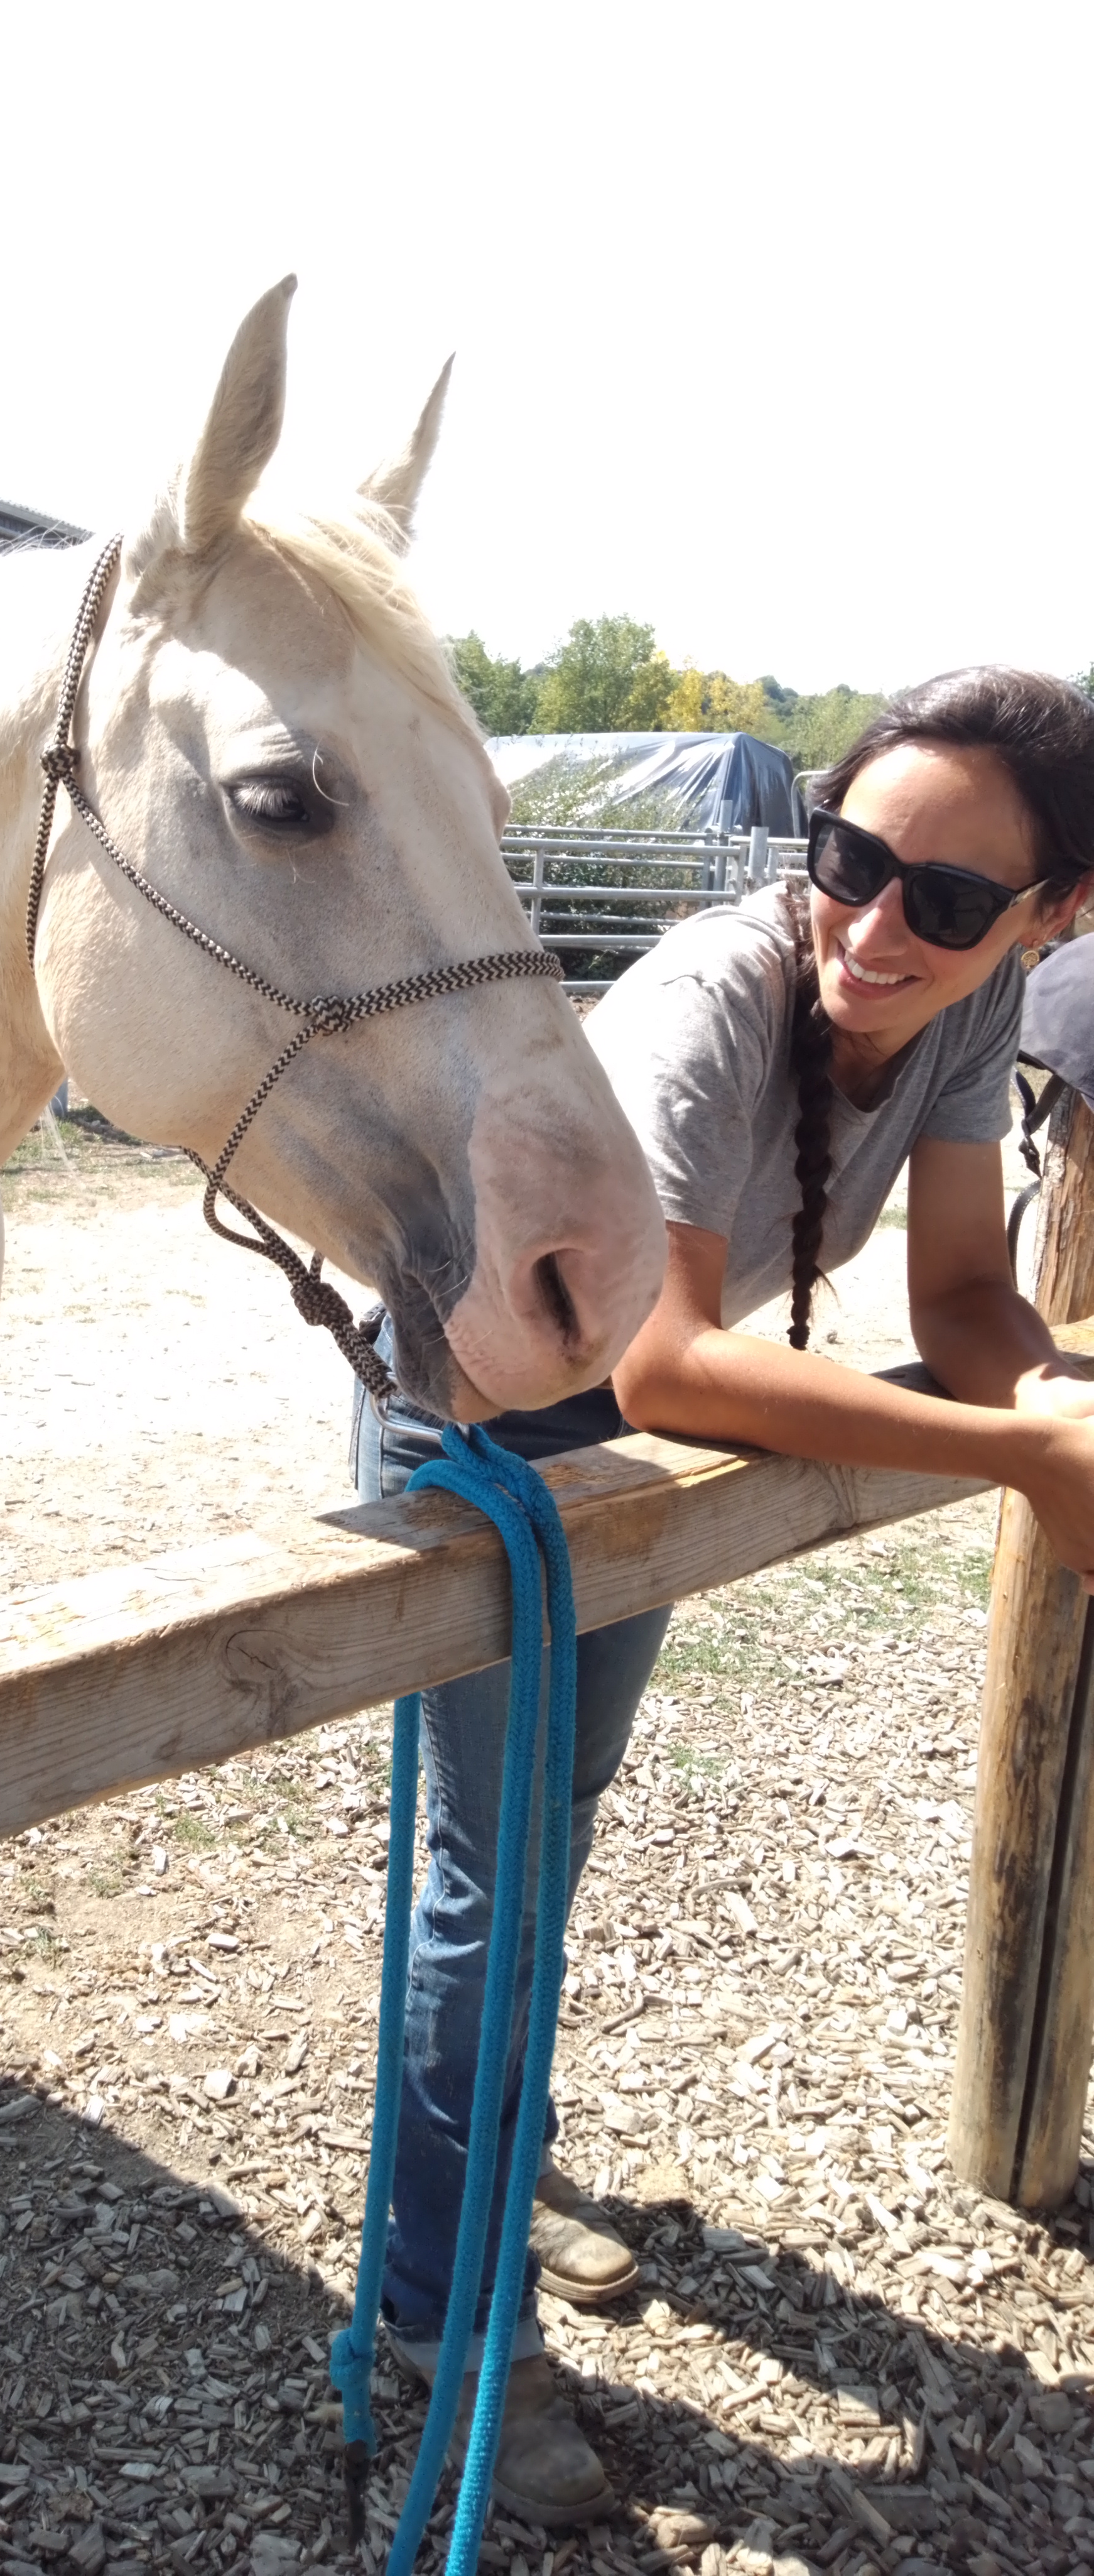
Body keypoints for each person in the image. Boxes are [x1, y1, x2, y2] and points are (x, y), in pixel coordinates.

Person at [350, 667, 1094, 2527]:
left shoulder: (966, 1005)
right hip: (488, 1423)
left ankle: (490, 2170)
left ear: (1051, 916)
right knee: (492, 1871)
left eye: (947, 899)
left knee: (553, 1829)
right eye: (851, 860)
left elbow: (961, 1304)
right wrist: (1026, 1452)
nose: (877, 925)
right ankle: (444, 2320)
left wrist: (1059, 1403)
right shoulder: (713, 991)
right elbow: (671, 1359)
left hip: (623, 1434)